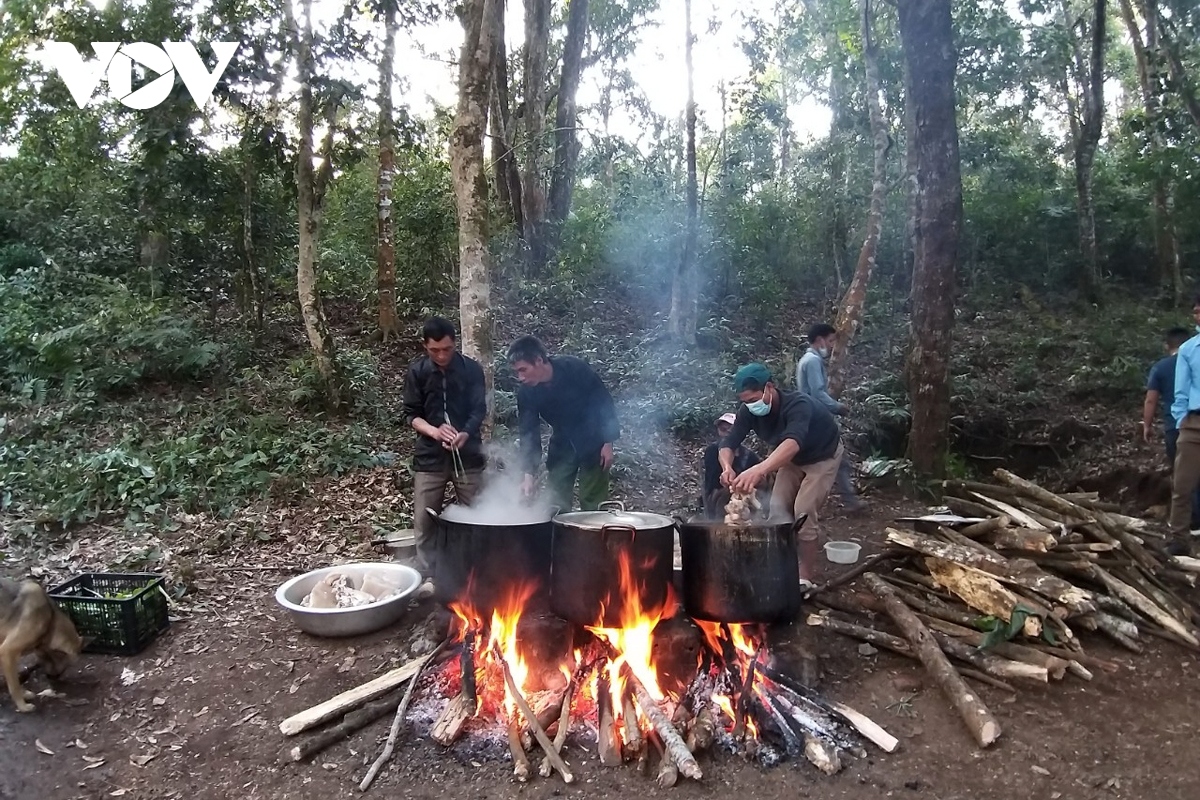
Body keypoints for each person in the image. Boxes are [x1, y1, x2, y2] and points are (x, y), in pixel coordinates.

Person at [719, 363, 843, 583]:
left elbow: (793, 442)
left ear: (769, 387)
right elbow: (729, 442)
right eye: (744, 401)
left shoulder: (798, 405)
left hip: (822, 456)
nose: (749, 405)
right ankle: (779, 561)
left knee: (803, 511)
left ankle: (805, 576)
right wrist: (727, 467)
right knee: (777, 509)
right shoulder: (747, 411)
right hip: (790, 459)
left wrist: (760, 469)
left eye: (752, 399)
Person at [402, 317, 487, 579]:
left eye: (447, 349)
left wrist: (464, 433)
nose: (441, 355)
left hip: (468, 454)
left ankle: (479, 571)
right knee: (425, 520)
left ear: (455, 343)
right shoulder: (417, 372)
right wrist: (435, 432)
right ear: (425, 346)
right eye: (434, 350)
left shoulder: (471, 370)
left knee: (479, 516)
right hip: (430, 457)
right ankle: (429, 574)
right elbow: (411, 414)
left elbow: (479, 409)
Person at [509, 335, 620, 511]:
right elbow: (528, 432)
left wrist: (608, 441)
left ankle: (594, 536)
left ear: (539, 360)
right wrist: (528, 474)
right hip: (562, 443)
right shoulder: (527, 393)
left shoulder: (574, 368)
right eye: (517, 372)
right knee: (555, 502)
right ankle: (559, 537)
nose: (520, 377)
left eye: (523, 370)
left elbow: (603, 401)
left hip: (593, 440)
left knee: (593, 503)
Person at [797, 322, 867, 513]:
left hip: (810, 417)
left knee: (834, 459)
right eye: (830, 341)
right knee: (837, 456)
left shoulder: (806, 359)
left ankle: (846, 501)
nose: (831, 345)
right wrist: (838, 407)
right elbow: (818, 393)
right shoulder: (812, 361)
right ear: (819, 340)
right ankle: (847, 502)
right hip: (817, 419)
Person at [1169, 298, 1200, 556]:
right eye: (1195, 311)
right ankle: (1179, 539)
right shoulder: (1189, 350)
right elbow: (1180, 391)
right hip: (1194, 424)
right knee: (1183, 485)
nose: (1196, 315)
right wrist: (1182, 420)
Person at [701, 412, 764, 518]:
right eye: (722, 430)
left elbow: (759, 480)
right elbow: (712, 480)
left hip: (745, 496)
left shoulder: (750, 456)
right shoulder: (712, 451)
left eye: (730, 430)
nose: (726, 434)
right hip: (717, 495)